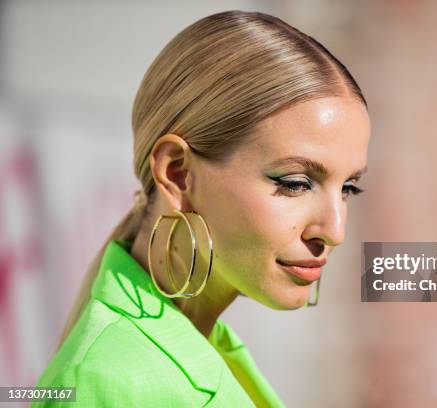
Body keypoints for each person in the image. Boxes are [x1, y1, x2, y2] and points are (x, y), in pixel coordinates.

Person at [33, 10, 370, 407]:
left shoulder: (203, 344)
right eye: (295, 183)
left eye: (348, 187)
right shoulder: (108, 382)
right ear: (177, 174)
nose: (334, 230)